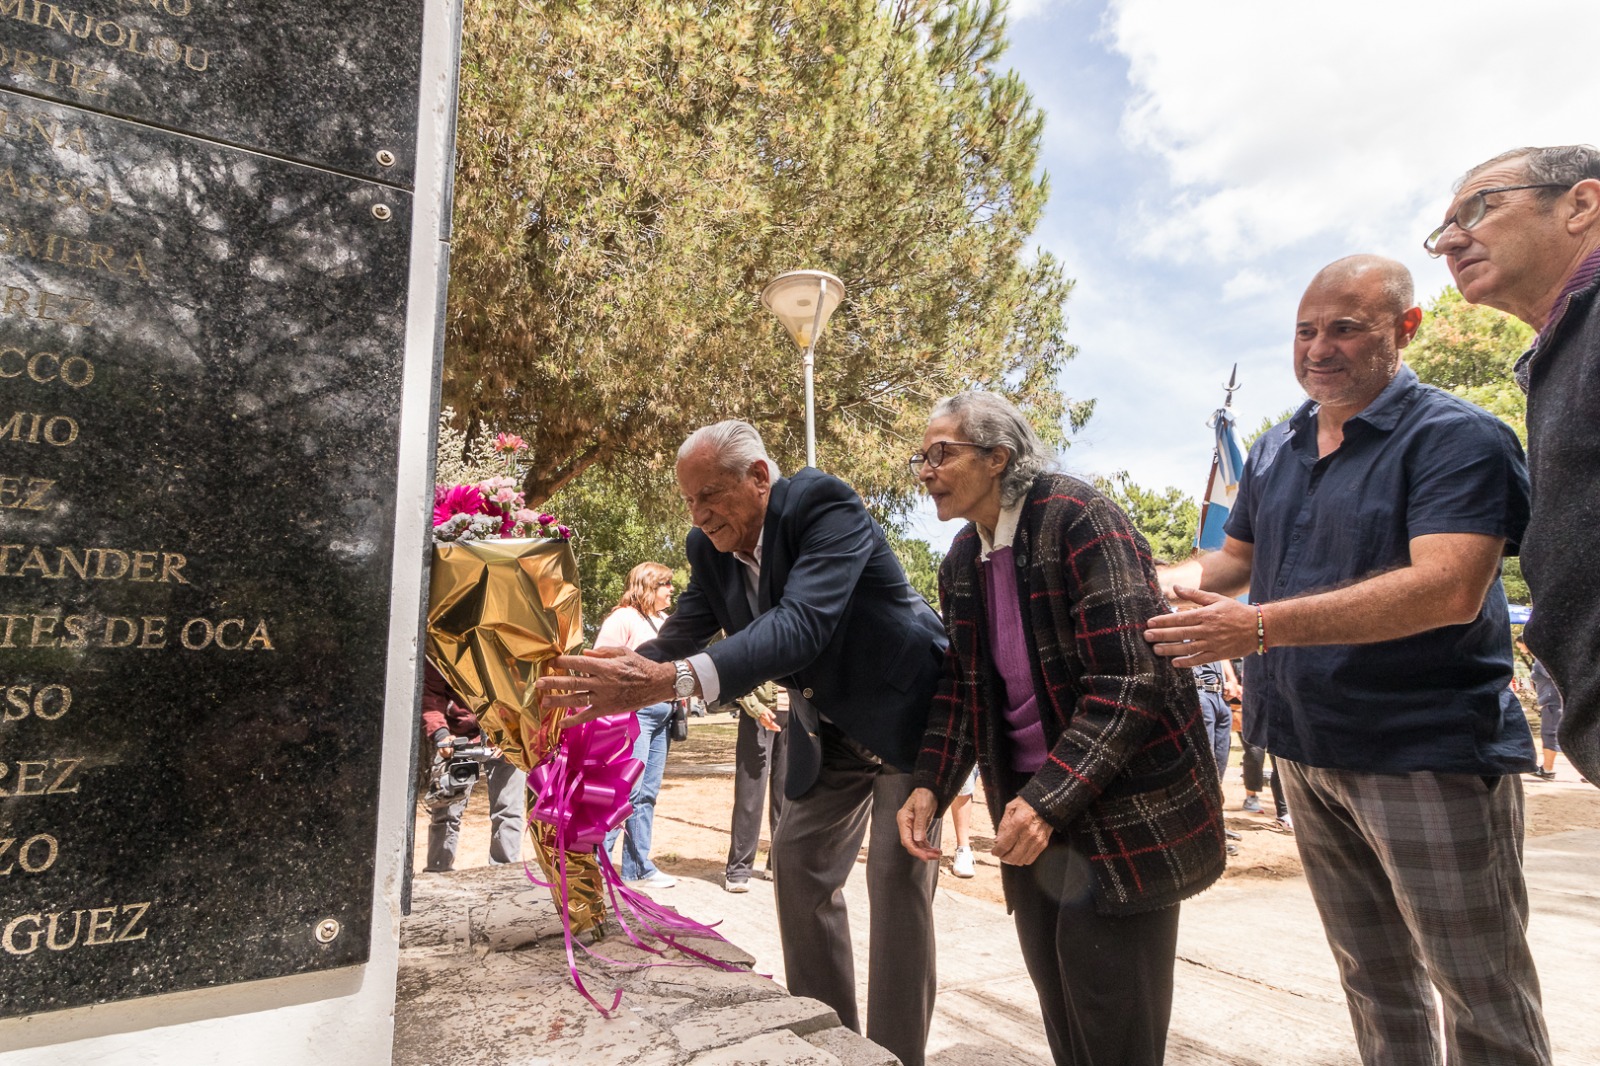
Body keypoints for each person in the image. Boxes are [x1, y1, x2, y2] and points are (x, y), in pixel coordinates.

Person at [1144, 256, 1549, 1066]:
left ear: (1405, 329)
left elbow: (1447, 589)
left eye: (1344, 327)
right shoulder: (1275, 446)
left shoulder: (1459, 436)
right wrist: (1139, 581)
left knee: (1478, 989)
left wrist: (1257, 631)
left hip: (1423, 750)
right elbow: (1229, 565)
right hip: (1304, 748)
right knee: (1372, 980)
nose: (1317, 347)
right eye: (1304, 330)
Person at [535, 420, 948, 1066]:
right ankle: (829, 1041)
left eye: (710, 496)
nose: (698, 517)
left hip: (909, 718)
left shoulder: (822, 504)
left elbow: (801, 625)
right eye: (688, 503)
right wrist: (600, 682)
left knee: (897, 883)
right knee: (796, 864)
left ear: (759, 478)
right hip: (830, 733)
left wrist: (669, 681)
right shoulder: (709, 552)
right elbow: (677, 640)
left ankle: (895, 1057)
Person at [896, 391, 1226, 1066]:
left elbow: (1131, 678)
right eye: (920, 457)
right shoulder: (962, 558)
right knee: (1066, 1015)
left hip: (1118, 812)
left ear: (998, 458)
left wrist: (1046, 799)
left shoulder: (1077, 516)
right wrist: (930, 784)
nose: (924, 470)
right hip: (1033, 810)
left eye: (941, 453)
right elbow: (961, 689)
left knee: (1115, 1028)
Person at [1427, 145, 1600, 786]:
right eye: (1439, 233)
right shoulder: (1562, 350)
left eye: (1476, 210)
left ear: (1580, 205)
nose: (1448, 242)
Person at [593, 562, 680, 889]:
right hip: (635, 716)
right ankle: (596, 866)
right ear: (647, 586)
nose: (671, 590)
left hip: (664, 716)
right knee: (625, 791)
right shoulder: (623, 618)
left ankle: (638, 867)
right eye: (665, 584)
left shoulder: (664, 621)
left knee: (647, 794)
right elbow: (602, 663)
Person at [420, 662, 526, 871]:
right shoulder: (442, 646)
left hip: (506, 737)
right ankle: (438, 875)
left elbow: (525, 693)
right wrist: (442, 735)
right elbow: (431, 696)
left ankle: (504, 876)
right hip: (458, 740)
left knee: (509, 812)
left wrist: (512, 734)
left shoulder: (509, 643)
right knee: (445, 811)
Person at [724, 680, 788, 892]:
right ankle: (739, 869)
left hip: (795, 713)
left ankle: (777, 863)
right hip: (758, 714)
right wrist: (755, 707)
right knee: (750, 792)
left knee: (787, 794)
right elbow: (737, 673)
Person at [1529, 653, 1564, 782]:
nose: (1521, 650)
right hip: (1553, 701)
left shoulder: (1544, 658)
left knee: (1549, 734)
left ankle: (1548, 770)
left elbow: (1556, 674)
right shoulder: (1544, 657)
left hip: (1553, 703)